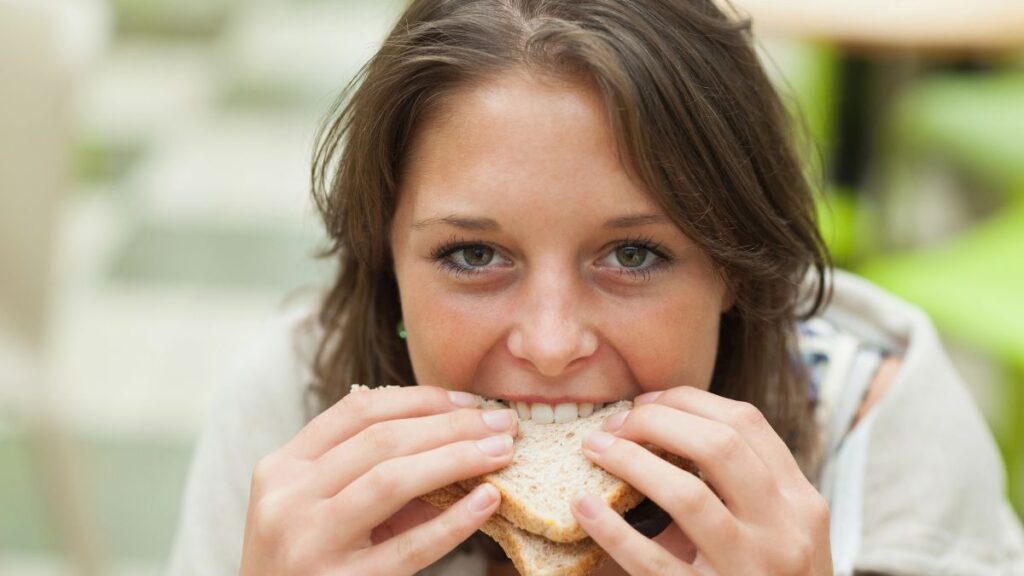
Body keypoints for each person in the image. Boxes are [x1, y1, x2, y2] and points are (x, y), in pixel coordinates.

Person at [167, 0, 1024, 574]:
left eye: (635, 256)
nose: (548, 345)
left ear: (736, 265)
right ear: (385, 264)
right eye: (471, 255)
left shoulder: (882, 431)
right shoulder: (291, 415)